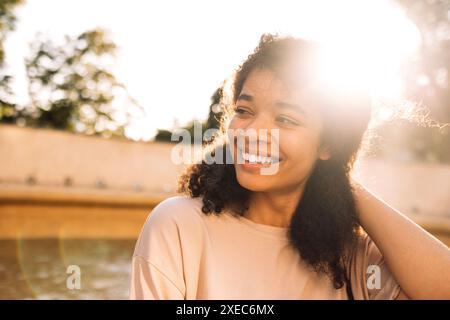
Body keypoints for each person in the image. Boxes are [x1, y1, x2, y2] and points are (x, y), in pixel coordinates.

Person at [129, 34, 450, 300]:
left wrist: (344, 186)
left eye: (285, 119)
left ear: (328, 145)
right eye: (244, 110)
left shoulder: (353, 257)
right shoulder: (178, 227)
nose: (252, 132)